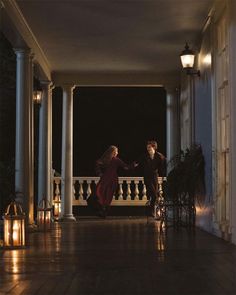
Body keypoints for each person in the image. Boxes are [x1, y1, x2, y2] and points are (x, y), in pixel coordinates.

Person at [95, 145, 136, 218]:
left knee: (102, 194)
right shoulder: (115, 160)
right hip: (110, 179)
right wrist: (133, 165)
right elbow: (126, 167)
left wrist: (99, 173)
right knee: (107, 195)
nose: (117, 153)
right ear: (113, 152)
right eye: (116, 151)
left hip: (106, 179)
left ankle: (103, 212)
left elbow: (98, 163)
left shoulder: (108, 159)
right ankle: (103, 212)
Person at [135, 140, 166, 216]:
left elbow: (164, 164)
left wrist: (163, 174)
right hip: (147, 177)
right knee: (154, 194)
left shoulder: (159, 156)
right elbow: (137, 162)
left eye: (149, 147)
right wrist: (131, 166)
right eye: (147, 147)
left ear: (154, 147)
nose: (148, 149)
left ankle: (150, 210)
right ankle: (151, 210)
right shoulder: (145, 156)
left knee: (154, 195)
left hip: (155, 177)